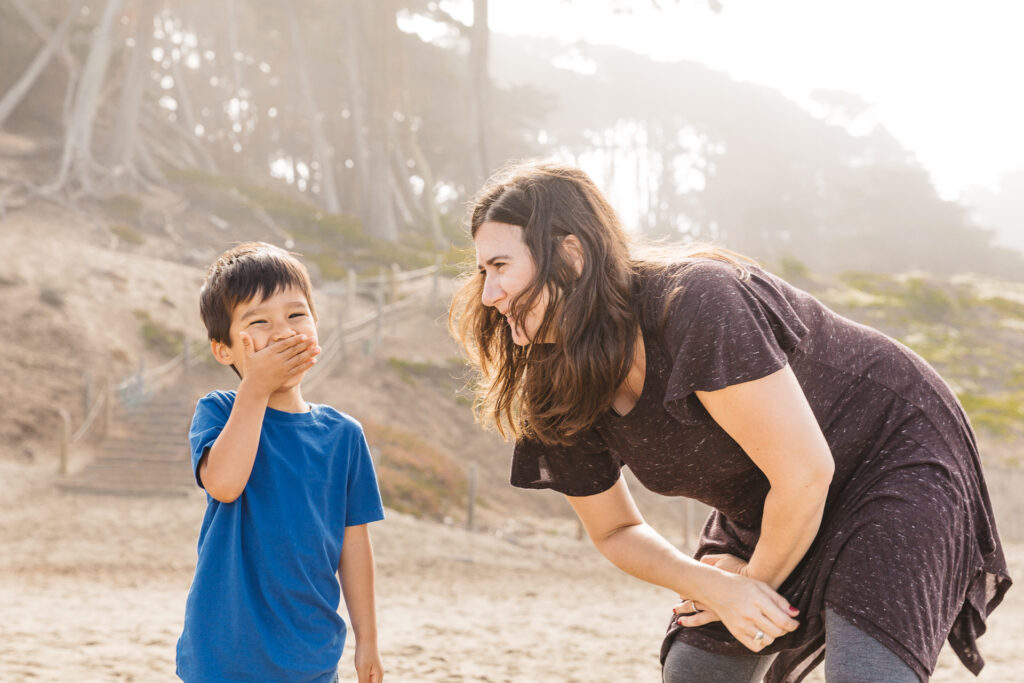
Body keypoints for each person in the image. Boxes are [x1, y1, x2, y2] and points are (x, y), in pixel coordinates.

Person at [449, 162, 1011, 682]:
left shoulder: (696, 301)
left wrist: (750, 588)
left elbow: (807, 473)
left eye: (502, 266)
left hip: (888, 457)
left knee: (864, 673)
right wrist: (714, 587)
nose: (490, 293)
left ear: (570, 255)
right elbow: (613, 530)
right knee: (697, 672)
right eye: (483, 271)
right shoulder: (552, 383)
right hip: (770, 495)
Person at [176, 242, 385, 683]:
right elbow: (225, 484)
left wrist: (367, 638)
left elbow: (354, 544)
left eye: (296, 315)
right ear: (224, 350)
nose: (284, 331)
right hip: (224, 650)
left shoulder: (344, 434)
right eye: (259, 322)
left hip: (310, 651)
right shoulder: (217, 411)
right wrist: (255, 388)